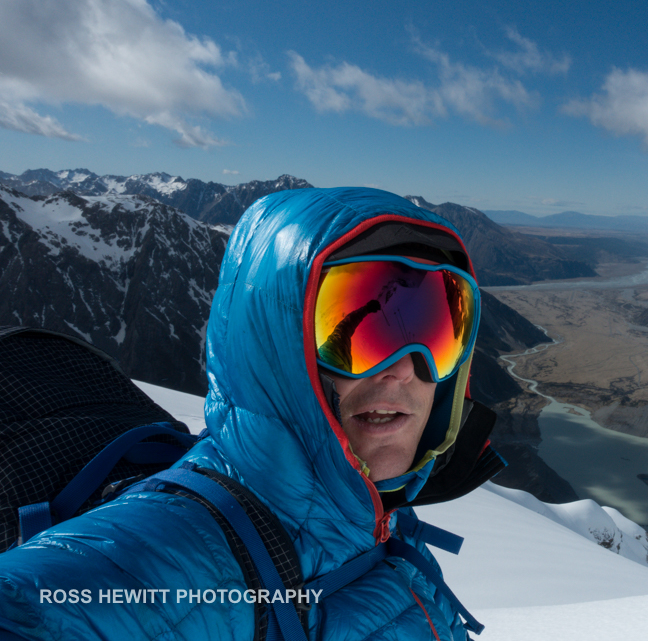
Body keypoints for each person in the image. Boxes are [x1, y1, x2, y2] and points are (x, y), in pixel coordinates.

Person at [0, 187, 503, 640]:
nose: (405, 369)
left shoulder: (382, 517)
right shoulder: (171, 556)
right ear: (276, 353)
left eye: (437, 328)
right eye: (356, 332)